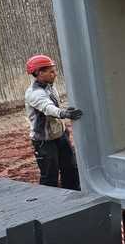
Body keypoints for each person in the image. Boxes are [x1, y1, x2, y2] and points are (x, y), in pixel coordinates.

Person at [24, 55, 83, 189]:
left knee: (71, 169)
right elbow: (47, 108)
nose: (55, 74)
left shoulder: (50, 87)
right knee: (50, 176)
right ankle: (49, 205)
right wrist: (64, 113)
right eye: (51, 71)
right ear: (39, 73)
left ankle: (75, 199)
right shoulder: (34, 93)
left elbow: (54, 105)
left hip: (60, 135)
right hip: (44, 141)